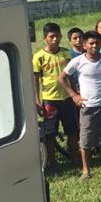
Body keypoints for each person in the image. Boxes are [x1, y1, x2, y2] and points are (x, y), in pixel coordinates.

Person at [60, 30, 101, 180]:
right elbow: (62, 78)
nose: (94, 46)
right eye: (91, 43)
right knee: (86, 141)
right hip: (88, 107)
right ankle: (86, 171)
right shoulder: (78, 61)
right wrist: (74, 95)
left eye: (97, 43)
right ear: (85, 45)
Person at [33, 23, 76, 169]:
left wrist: (75, 93)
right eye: (51, 36)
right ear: (45, 38)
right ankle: (52, 162)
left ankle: (75, 158)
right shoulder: (39, 57)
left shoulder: (66, 53)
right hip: (50, 100)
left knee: (72, 130)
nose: (55, 39)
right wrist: (37, 100)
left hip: (67, 98)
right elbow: (35, 80)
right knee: (50, 133)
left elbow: (71, 76)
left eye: (57, 36)